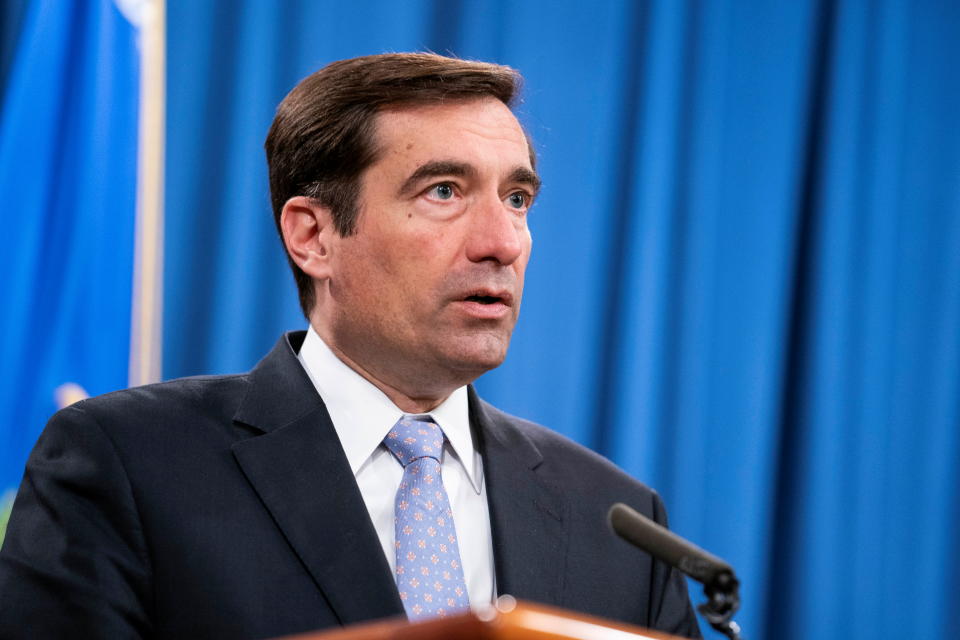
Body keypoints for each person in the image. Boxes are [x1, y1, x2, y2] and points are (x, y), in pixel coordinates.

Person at [0, 53, 701, 639]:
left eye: (516, 199)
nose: (503, 243)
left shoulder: (623, 526)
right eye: (444, 191)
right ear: (313, 236)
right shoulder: (128, 464)